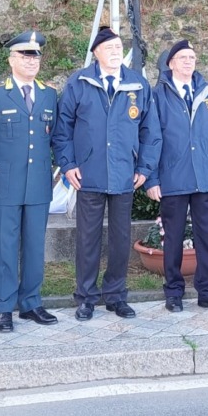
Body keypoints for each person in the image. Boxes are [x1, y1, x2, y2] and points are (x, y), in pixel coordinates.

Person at [52, 27, 161, 321]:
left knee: (120, 237)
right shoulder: (79, 82)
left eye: (118, 47)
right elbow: (62, 129)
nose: (115, 51)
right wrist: (68, 163)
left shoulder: (137, 84)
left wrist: (145, 168)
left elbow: (151, 131)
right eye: (109, 47)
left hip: (125, 173)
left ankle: (115, 295)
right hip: (89, 174)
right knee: (88, 239)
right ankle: (85, 297)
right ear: (96, 53)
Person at [0, 30, 59, 334]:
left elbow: (53, 135)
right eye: (25, 55)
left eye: (35, 56)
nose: (31, 61)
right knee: (6, 247)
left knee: (35, 246)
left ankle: (31, 303)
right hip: (5, 183)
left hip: (38, 183)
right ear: (12, 59)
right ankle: (4, 307)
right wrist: (6, 161)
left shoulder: (48, 94)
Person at [148, 40, 208, 314]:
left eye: (192, 57)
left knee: (206, 236)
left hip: (204, 176)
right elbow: (150, 138)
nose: (188, 61)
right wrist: (151, 179)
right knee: (172, 238)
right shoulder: (158, 95)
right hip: (172, 177)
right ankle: (173, 292)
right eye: (183, 57)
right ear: (170, 63)